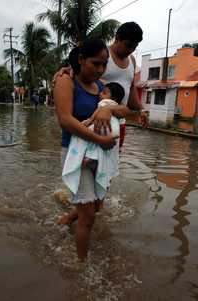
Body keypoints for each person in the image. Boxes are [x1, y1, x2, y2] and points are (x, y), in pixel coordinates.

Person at [54, 39, 139, 262]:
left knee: (98, 203)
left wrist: (108, 111)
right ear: (81, 60)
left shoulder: (101, 86)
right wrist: (99, 139)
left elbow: (124, 109)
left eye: (103, 64)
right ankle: (81, 265)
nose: (101, 69)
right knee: (89, 216)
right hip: (77, 154)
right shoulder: (66, 81)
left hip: (101, 154)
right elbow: (65, 121)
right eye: (95, 63)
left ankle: (67, 218)